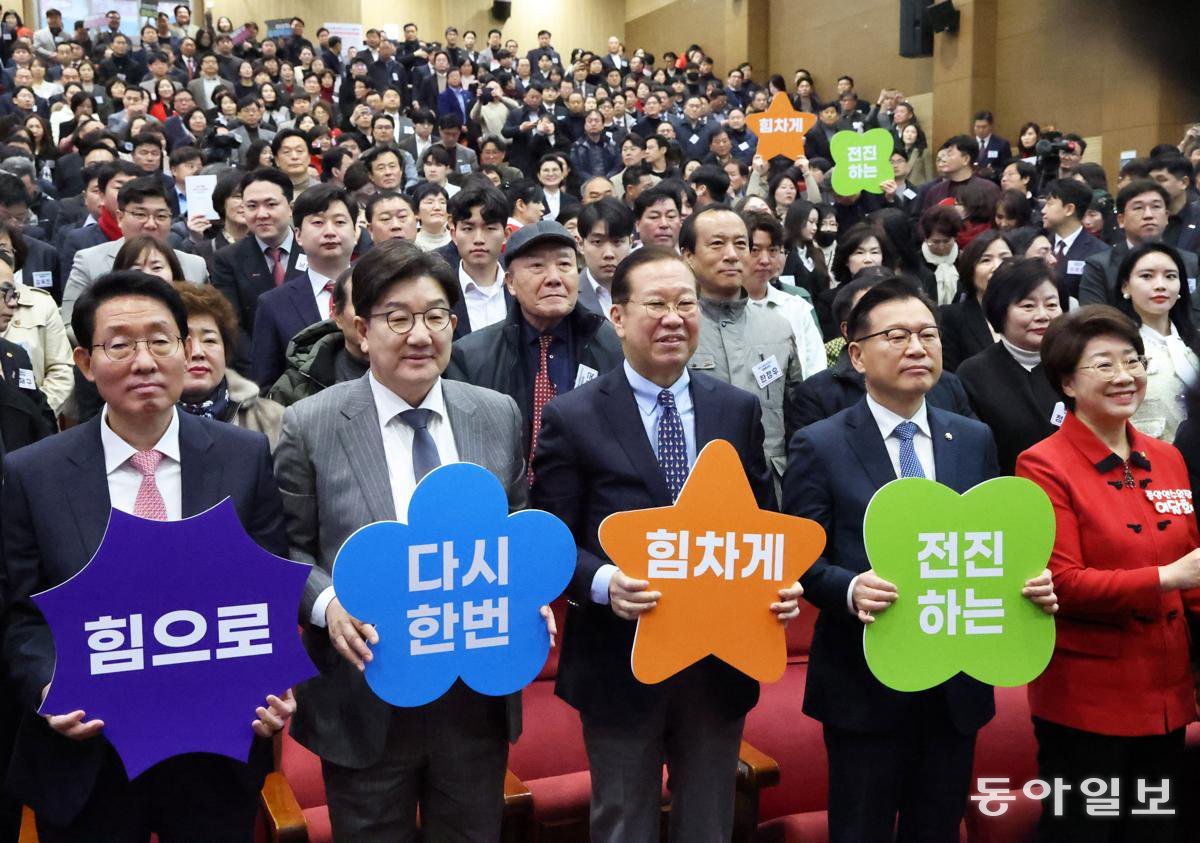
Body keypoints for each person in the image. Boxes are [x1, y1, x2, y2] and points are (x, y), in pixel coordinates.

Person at [1, 271, 293, 840]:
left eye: (161, 340)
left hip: (213, 752)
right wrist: (46, 684)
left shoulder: (244, 456)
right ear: (85, 362)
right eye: (120, 344)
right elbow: (22, 616)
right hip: (91, 755)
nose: (143, 360)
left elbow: (268, 593)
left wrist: (273, 680)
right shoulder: (34, 473)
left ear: (187, 351)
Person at [531, 245, 802, 841]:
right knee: (624, 822)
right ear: (618, 317)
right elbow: (549, 534)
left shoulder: (736, 409)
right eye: (656, 304)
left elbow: (763, 521)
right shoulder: (574, 416)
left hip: (718, 663)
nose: (674, 317)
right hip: (620, 658)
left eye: (686, 303)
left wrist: (779, 585)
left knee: (708, 823)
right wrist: (602, 584)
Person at [275, 240, 542, 840]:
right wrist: (327, 605)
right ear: (361, 329)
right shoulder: (311, 424)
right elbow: (284, 548)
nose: (419, 334)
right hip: (365, 689)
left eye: (436, 316)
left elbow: (517, 525)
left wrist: (527, 597)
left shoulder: (495, 413)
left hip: (474, 697)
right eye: (398, 317)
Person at [784, 278, 1057, 843]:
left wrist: (1028, 584)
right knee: (861, 829)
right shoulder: (821, 442)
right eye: (898, 335)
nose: (917, 348)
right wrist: (849, 587)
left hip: (955, 683)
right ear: (856, 354)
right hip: (865, 682)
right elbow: (801, 557)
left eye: (928, 334)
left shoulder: (974, 437)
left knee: (937, 827)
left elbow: (990, 548)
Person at [1016, 304, 1199, 843]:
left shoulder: (1167, 458)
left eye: (1132, 360)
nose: (1125, 377)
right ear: (1068, 382)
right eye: (1104, 365)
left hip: (1166, 693)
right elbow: (1064, 584)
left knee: (1155, 830)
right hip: (1086, 699)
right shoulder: (1041, 464)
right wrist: (1166, 577)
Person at [445, 219, 623, 468]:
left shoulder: (616, 346)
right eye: (537, 266)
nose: (554, 278)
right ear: (510, 283)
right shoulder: (469, 357)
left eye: (564, 265)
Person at [681, 205, 802, 484]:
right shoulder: (675, 328)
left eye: (740, 244)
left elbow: (794, 414)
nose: (732, 255)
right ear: (688, 255)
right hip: (695, 485)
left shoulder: (778, 326)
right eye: (717, 244)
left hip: (769, 486)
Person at [61, 176, 208, 334]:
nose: (151, 224)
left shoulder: (195, 265)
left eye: (161, 216)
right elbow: (69, 325)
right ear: (120, 217)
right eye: (140, 215)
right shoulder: (89, 261)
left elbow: (209, 323)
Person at [956, 257, 1063, 473]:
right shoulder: (974, 374)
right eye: (1028, 306)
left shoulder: (1074, 365)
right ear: (1000, 311)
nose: (1042, 316)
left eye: (1052, 305)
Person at [251, 183, 357, 390]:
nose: (329, 231)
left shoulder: (378, 291)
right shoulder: (273, 303)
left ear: (355, 231)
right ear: (298, 235)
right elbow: (265, 384)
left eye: (340, 222)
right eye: (317, 222)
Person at [174, 281, 284, 447]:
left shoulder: (273, 418)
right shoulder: (139, 422)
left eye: (209, 340)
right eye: (184, 341)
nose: (197, 352)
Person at [212, 168, 303, 361]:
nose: (261, 214)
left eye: (271, 204)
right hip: (256, 370)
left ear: (290, 207)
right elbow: (232, 326)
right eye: (252, 206)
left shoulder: (312, 250)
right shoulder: (227, 259)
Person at [1112, 242, 1200, 441]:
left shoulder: (1194, 339)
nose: (1160, 285)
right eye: (1147, 276)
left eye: (1170, 276)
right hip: (1145, 459)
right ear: (1125, 285)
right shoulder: (1114, 346)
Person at [1079, 179, 1200, 321]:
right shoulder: (1099, 265)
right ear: (1121, 220)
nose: (1148, 215)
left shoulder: (1190, 261)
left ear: (1166, 217)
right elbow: (1093, 320)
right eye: (1138, 208)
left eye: (1156, 207)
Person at [269, 267, 369, 407]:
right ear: (336, 315)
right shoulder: (295, 387)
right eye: (363, 305)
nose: (374, 315)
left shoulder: (407, 375)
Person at [743, 210, 827, 378]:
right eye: (755, 250)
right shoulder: (725, 311)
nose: (765, 259)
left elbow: (816, 367)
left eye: (773, 250)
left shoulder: (796, 307)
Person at [0, 255, 71, 414]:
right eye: (5, 292)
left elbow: (61, 370)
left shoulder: (17, 355)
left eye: (13, 293)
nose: (12, 303)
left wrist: (32, 417)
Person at [939, 230, 1012, 371]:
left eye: (1005, 258)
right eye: (986, 260)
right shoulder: (951, 317)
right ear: (971, 270)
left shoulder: (1031, 314)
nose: (997, 267)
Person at [445, 185, 510, 338]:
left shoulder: (522, 287)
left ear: (506, 235)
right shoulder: (440, 291)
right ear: (454, 234)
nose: (478, 239)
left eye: (490, 228)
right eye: (468, 229)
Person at [1042, 177, 1110, 302]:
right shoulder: (1041, 246)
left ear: (1069, 209)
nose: (1043, 210)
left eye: (1049, 204)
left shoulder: (1100, 252)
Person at [576, 197, 634, 319]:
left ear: (631, 242)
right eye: (597, 242)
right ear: (581, 244)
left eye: (617, 242)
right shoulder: (569, 296)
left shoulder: (646, 289)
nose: (609, 254)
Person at [919, 135, 1001, 215]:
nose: (943, 159)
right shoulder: (935, 191)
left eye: (949, 154)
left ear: (965, 159)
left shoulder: (988, 189)